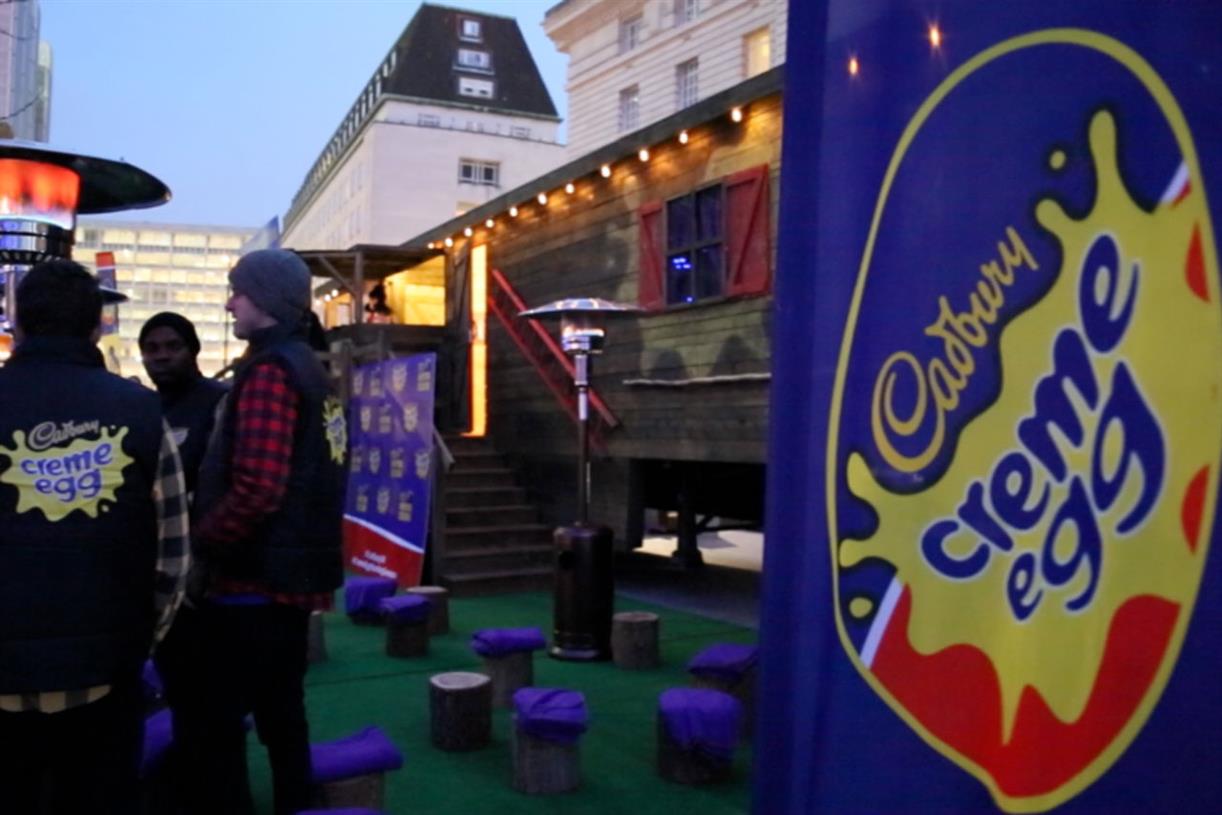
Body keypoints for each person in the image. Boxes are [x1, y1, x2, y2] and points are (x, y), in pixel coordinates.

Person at [0, 259, 189, 815]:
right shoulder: (140, 411)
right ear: (97, 327)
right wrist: (133, 642)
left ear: (19, 325)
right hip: (105, 678)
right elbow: (173, 558)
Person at [190, 248, 347, 815]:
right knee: (283, 710)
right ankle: (295, 803)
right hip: (293, 573)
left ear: (269, 301)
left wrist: (202, 540)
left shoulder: (271, 372)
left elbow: (258, 487)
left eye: (239, 291)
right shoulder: (312, 368)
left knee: (220, 715)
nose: (230, 301)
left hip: (254, 579)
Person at [138, 311, 228, 809]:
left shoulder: (218, 404)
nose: (161, 355)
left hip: (209, 580)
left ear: (192, 350)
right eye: (151, 347)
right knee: (174, 692)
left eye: (171, 345)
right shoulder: (141, 410)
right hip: (157, 578)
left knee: (213, 701)